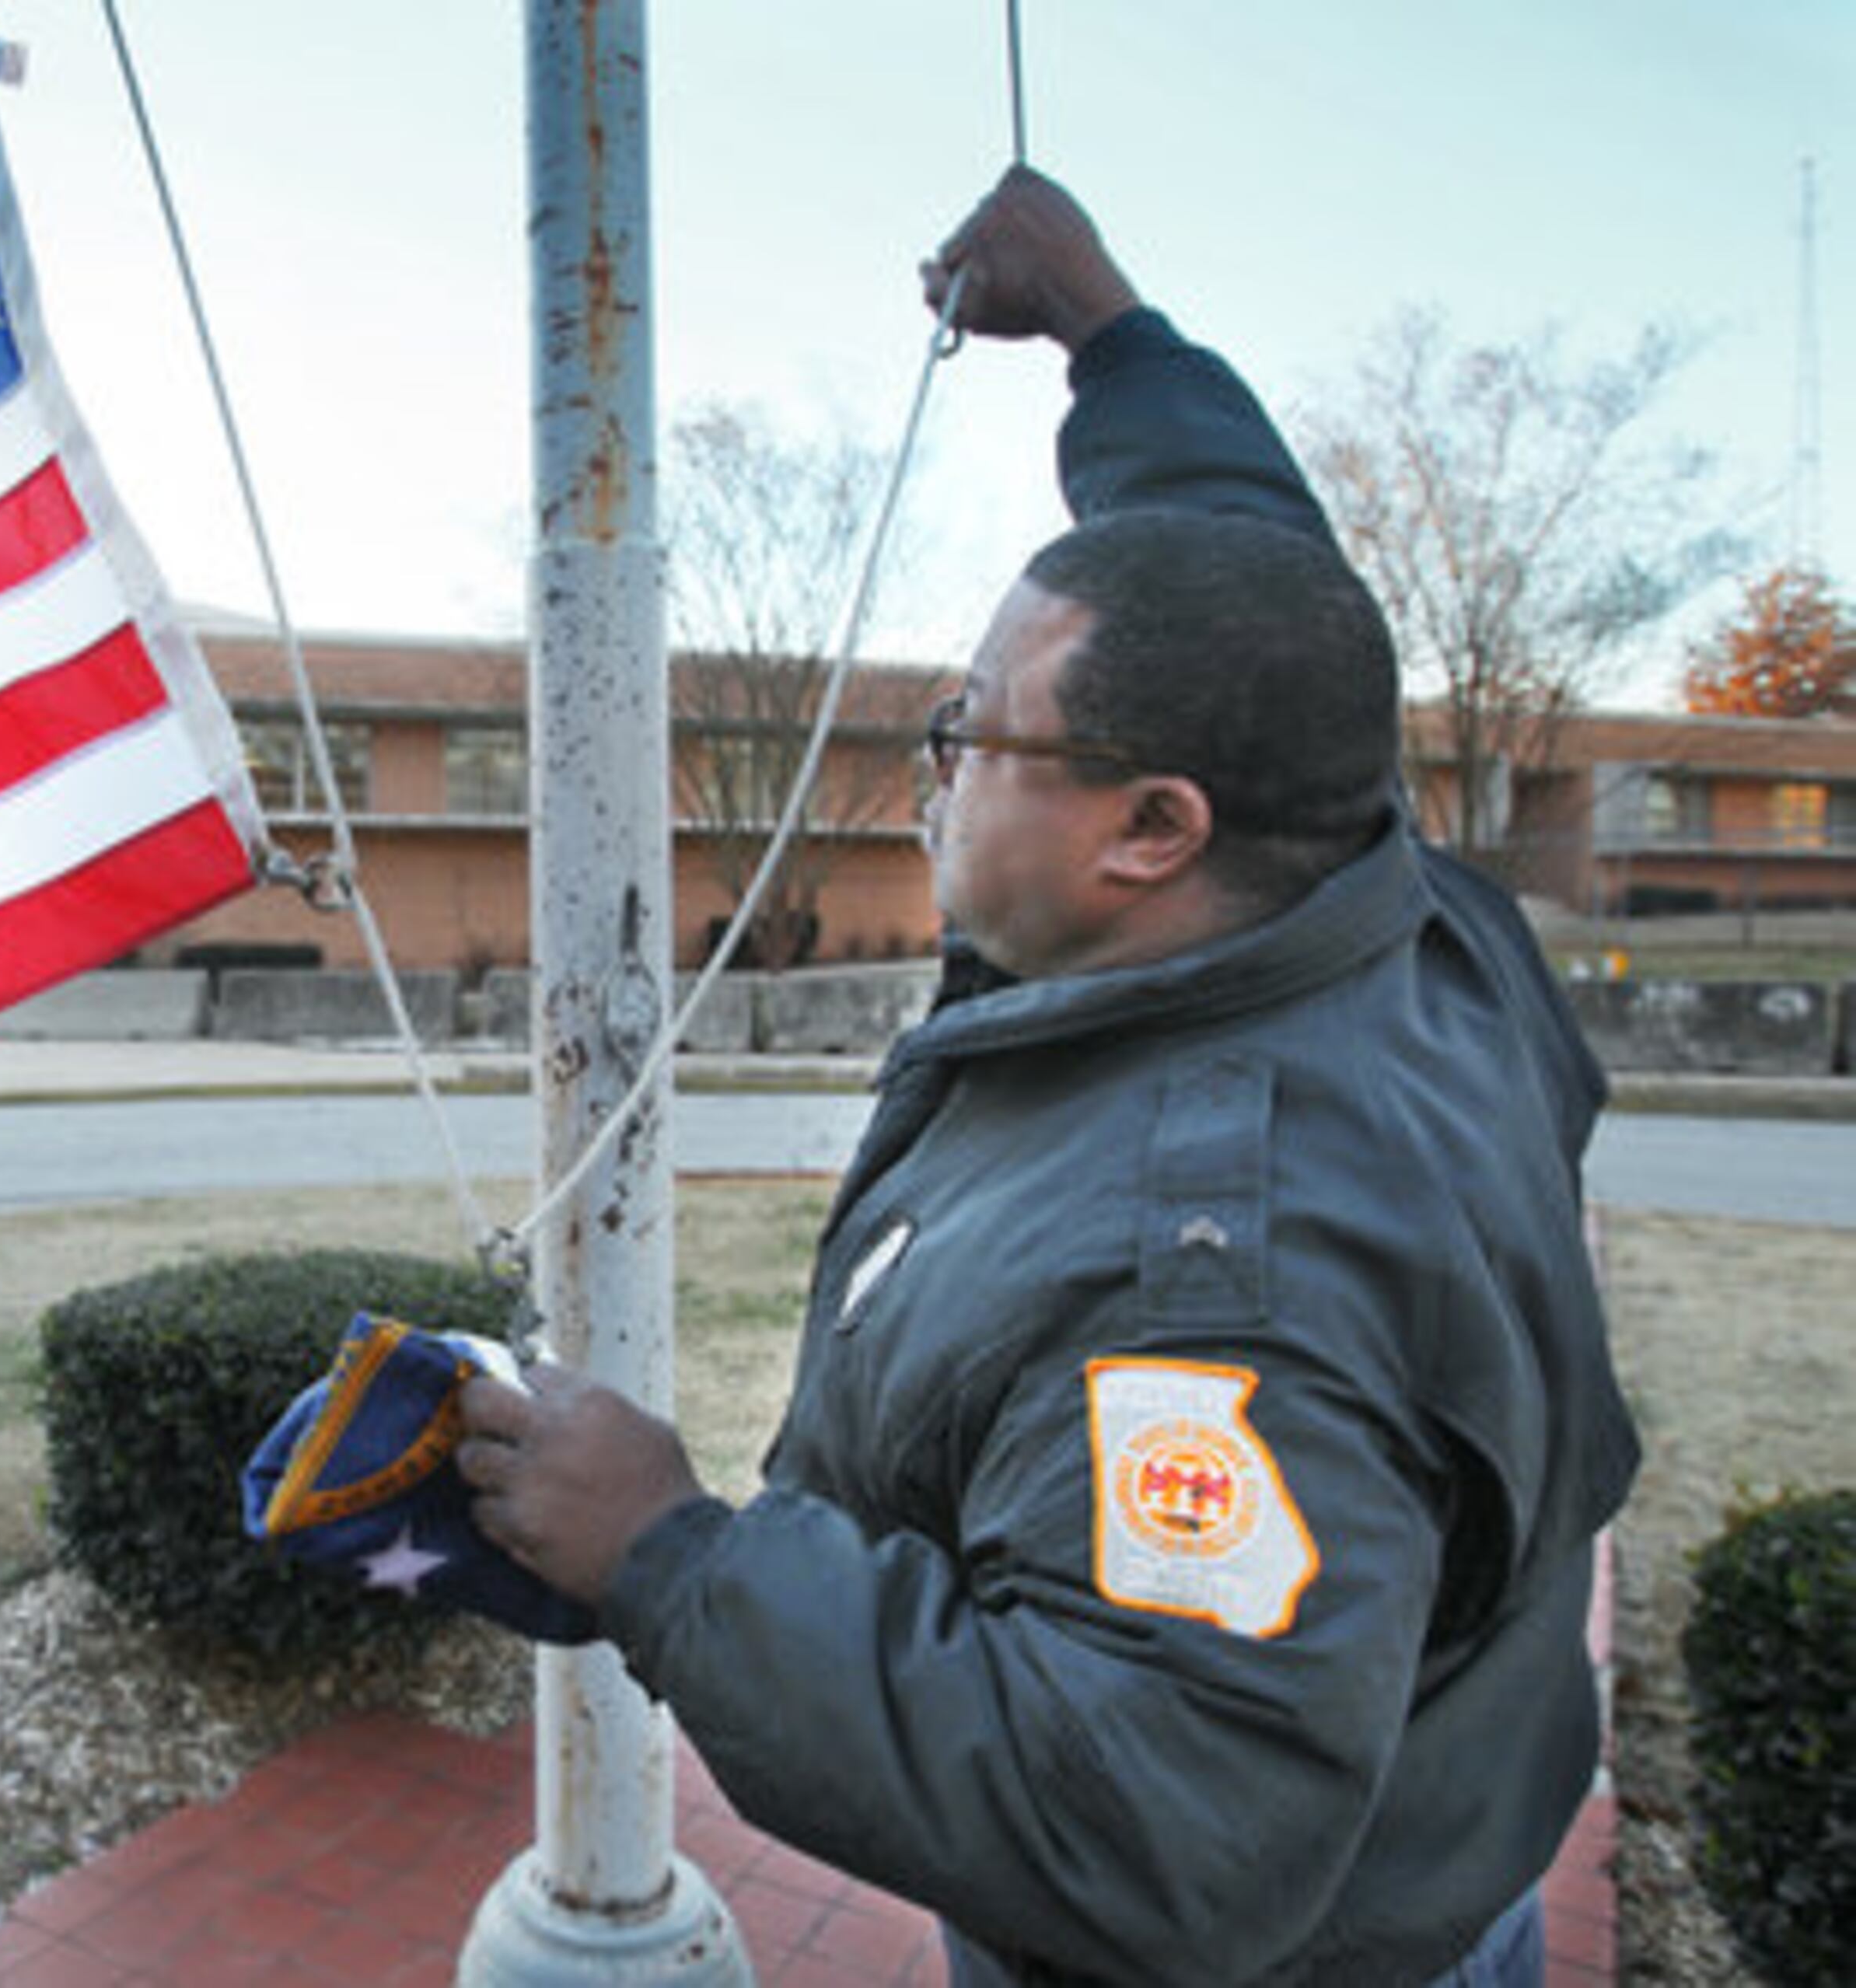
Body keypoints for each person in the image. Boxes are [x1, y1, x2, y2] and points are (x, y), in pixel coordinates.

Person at [454, 166, 1640, 1988]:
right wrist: (1109, 332)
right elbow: (1250, 571)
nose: (936, 767)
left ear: (1156, 827)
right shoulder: (1363, 876)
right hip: (1442, 1840)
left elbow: (1158, 1825)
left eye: (976, 730)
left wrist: (671, 1555)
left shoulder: (1214, 1289)